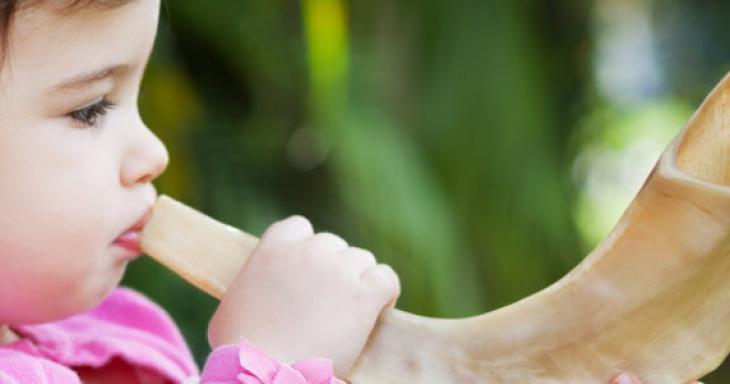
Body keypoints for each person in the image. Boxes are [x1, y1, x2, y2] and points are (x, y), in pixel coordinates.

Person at [0, 1, 706, 383]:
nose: (153, 150)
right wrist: (267, 361)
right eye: (90, 108)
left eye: (136, 97)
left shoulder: (118, 341)